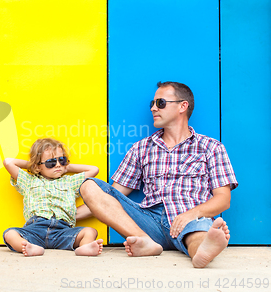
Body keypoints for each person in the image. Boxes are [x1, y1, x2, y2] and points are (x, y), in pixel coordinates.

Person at [79, 81, 238, 268]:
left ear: (182, 106)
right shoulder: (141, 148)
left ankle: (202, 252)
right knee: (89, 185)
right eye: (152, 104)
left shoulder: (211, 147)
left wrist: (189, 215)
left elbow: (223, 199)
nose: (154, 108)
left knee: (199, 234)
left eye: (160, 103)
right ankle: (145, 242)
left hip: (190, 218)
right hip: (148, 222)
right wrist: (59, 215)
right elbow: (111, 196)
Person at [3, 138, 104, 257]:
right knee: (10, 233)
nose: (57, 165)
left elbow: (94, 169)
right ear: (38, 166)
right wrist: (33, 166)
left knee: (90, 231)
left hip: (62, 230)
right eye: (51, 162)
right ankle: (28, 247)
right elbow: (8, 162)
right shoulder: (29, 181)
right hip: (36, 229)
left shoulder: (70, 181)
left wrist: (66, 167)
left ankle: (84, 247)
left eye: (62, 160)